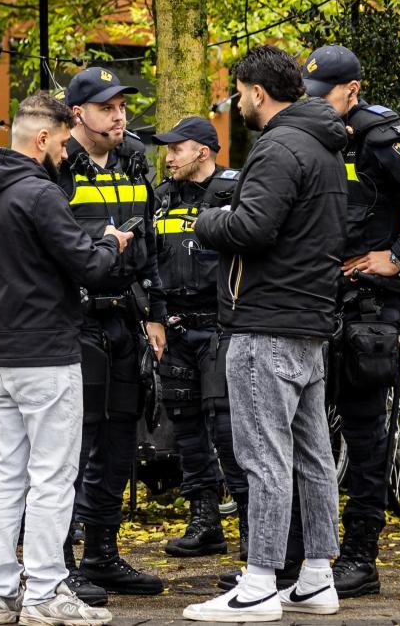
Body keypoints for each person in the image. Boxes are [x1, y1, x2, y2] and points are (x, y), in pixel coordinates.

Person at [183, 44, 347, 622]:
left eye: (239, 91)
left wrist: (206, 221)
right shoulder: (326, 147)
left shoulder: (279, 146)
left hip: (265, 322)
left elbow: (252, 227)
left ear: (256, 92)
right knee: (311, 456)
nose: (237, 101)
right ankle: (315, 578)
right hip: (308, 323)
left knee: (264, 458)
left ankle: (258, 584)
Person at [0, 92, 127, 626]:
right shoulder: (38, 195)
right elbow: (88, 268)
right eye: (59, 141)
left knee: (7, 470)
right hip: (48, 352)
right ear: (41, 139)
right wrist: (110, 243)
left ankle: (1, 591)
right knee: (53, 475)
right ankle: (46, 592)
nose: (63, 150)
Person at [301, 44, 400, 597]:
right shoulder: (311, 133)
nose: (315, 104)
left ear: (352, 90)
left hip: (369, 306)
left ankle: (361, 555)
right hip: (315, 297)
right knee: (304, 429)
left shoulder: (381, 136)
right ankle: (297, 557)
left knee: (363, 430)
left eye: (325, 95)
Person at [57, 67, 167, 604]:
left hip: (125, 317)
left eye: (122, 105)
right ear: (78, 114)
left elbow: (150, 244)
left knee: (122, 442)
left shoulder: (132, 159)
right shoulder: (58, 164)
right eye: (107, 107)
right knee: (72, 446)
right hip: (73, 320)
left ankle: (102, 553)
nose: (119, 115)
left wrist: (156, 314)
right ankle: (63, 563)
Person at [150, 117, 248, 558]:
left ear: (203, 152)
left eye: (177, 149)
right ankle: (205, 520)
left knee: (229, 430)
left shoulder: (236, 189)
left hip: (222, 326)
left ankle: (253, 528)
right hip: (175, 328)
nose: (169, 157)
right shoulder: (162, 198)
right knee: (185, 428)